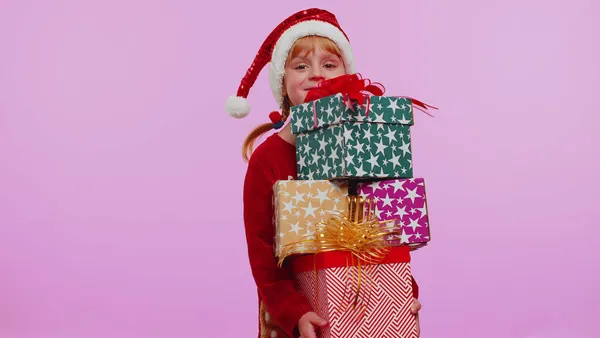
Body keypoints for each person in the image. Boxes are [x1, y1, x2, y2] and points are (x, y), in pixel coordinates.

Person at [225, 8, 422, 338]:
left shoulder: (365, 146)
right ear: (283, 82)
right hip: (296, 319)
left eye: (329, 65)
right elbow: (262, 257)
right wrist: (295, 313)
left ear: (348, 74)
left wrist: (405, 294)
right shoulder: (268, 159)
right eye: (300, 66)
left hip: (367, 308)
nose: (316, 74)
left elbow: (383, 231)